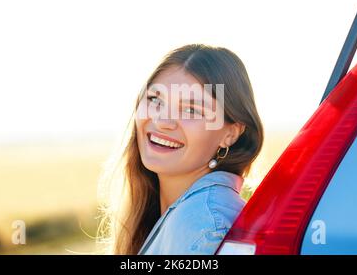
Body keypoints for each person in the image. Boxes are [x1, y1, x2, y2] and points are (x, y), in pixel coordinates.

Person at [99, 44, 263, 255]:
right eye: (155, 99)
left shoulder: (205, 228)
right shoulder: (185, 216)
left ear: (230, 134)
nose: (163, 121)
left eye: (191, 110)